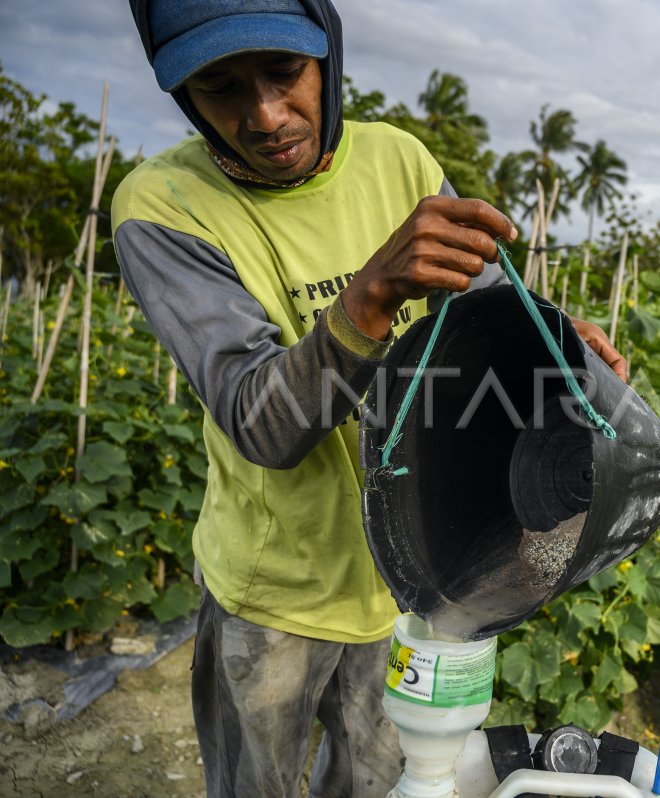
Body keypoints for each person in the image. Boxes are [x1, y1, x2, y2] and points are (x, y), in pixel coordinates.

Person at [115, 1, 627, 795]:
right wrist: (372, 294)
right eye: (220, 88)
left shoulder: (400, 162)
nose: (266, 115)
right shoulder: (163, 207)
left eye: (285, 73)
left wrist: (555, 338)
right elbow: (261, 422)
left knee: (387, 781)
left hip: (414, 577)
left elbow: (483, 308)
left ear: (328, 55)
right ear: (183, 95)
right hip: (274, 590)